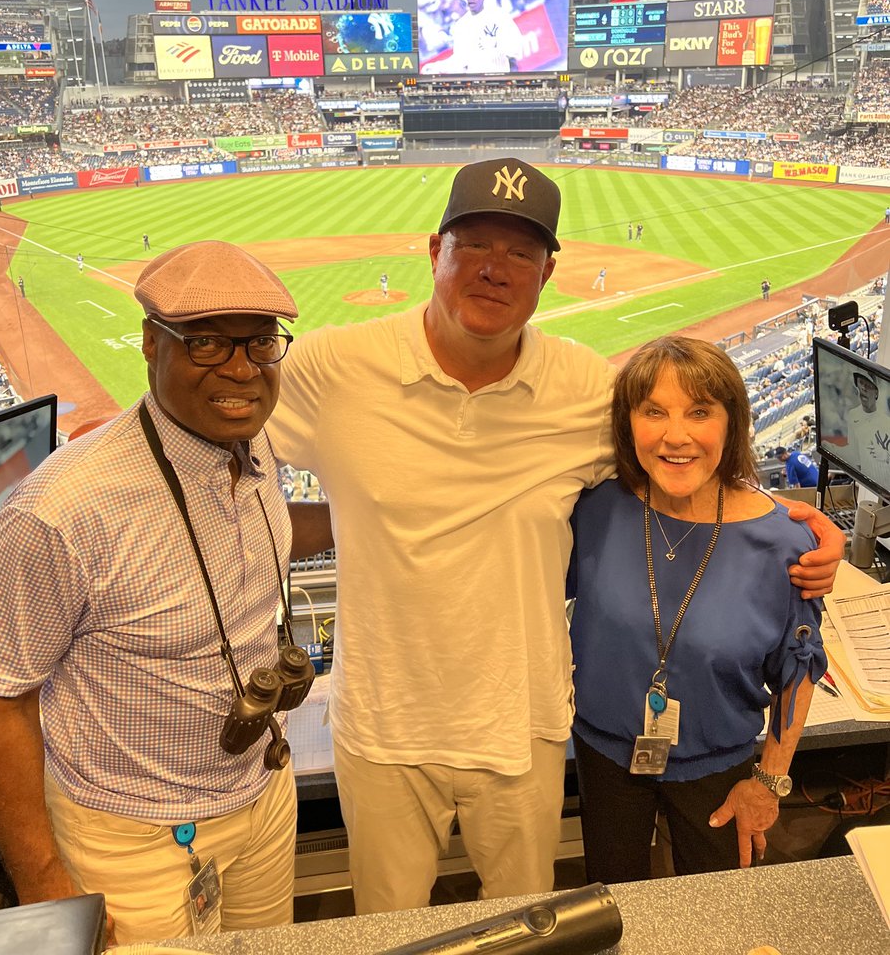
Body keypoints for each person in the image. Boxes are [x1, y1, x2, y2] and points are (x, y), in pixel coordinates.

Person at [265, 158, 842, 915]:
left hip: (524, 725)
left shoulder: (583, 388)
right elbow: (230, 462)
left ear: (547, 272)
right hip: (383, 727)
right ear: (433, 247)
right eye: (474, 244)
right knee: (387, 926)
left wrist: (792, 521)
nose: (494, 269)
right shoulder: (334, 366)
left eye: (521, 253)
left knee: (530, 925)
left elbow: (676, 454)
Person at [0, 241, 303, 945]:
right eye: (206, 344)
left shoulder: (256, 446)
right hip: (130, 840)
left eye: (258, 342)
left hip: (263, 795)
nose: (241, 368)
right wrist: (42, 880)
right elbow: (0, 696)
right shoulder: (61, 511)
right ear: (149, 345)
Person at [568, 337, 826, 884]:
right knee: (612, 908)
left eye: (700, 411)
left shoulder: (784, 542)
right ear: (627, 422)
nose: (676, 435)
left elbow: (797, 669)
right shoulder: (592, 509)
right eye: (653, 412)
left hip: (720, 769)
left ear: (732, 424)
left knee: (717, 923)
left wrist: (772, 780)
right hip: (604, 759)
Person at [446, 0, 525, 75]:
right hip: (476, 82)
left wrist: (495, 47)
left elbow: (515, 47)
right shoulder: (459, 27)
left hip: (500, 76)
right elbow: (460, 60)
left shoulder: (498, 15)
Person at [843, 370, 890, 488]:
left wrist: (887, 456)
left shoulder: (886, 422)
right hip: (867, 482)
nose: (863, 388)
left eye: (868, 385)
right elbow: (855, 456)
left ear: (876, 393)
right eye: (861, 383)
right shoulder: (853, 415)